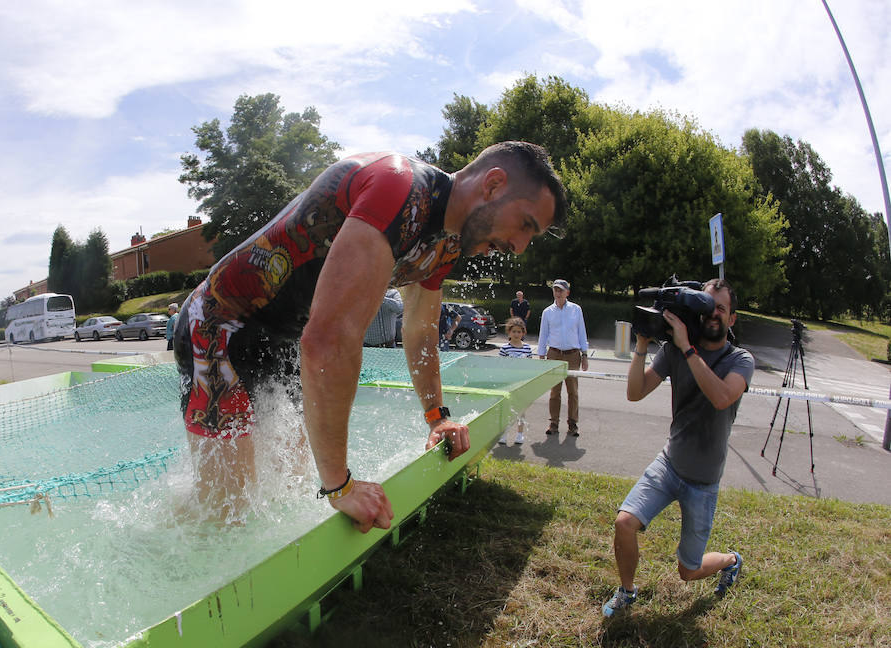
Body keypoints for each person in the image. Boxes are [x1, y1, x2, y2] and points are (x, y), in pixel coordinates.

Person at [173, 141, 568, 529]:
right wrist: (341, 486)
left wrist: (437, 417)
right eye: (526, 225)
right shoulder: (399, 187)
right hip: (217, 325)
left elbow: (421, 332)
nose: (519, 247)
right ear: (494, 184)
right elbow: (329, 340)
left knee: (286, 492)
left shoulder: (446, 245)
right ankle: (164, 554)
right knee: (225, 514)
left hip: (280, 341)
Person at [601, 278, 754, 617]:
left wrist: (688, 347)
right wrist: (642, 344)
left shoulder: (740, 359)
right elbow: (635, 392)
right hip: (669, 465)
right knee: (624, 522)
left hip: (703, 481)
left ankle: (730, 560)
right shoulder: (674, 350)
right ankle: (627, 592)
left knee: (688, 571)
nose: (712, 313)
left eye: (721, 309)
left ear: (732, 319)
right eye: (705, 305)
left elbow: (722, 397)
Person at [536, 279, 588, 437]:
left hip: (572, 354)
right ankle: (553, 423)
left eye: (561, 290)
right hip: (554, 354)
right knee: (554, 392)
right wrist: (541, 354)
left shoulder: (576, 309)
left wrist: (584, 354)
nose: (557, 293)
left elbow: (582, 332)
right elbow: (543, 334)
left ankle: (573, 424)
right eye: (555, 290)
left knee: (573, 392)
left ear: (567, 292)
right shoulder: (548, 312)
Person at [497, 317, 532, 445]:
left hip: (521, 384)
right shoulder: (505, 348)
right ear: (509, 332)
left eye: (519, 332)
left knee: (521, 410)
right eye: (514, 332)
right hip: (508, 384)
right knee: (506, 409)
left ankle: (520, 434)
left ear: (523, 333)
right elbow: (499, 366)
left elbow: (530, 367)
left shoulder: (527, 348)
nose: (516, 334)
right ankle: (504, 434)